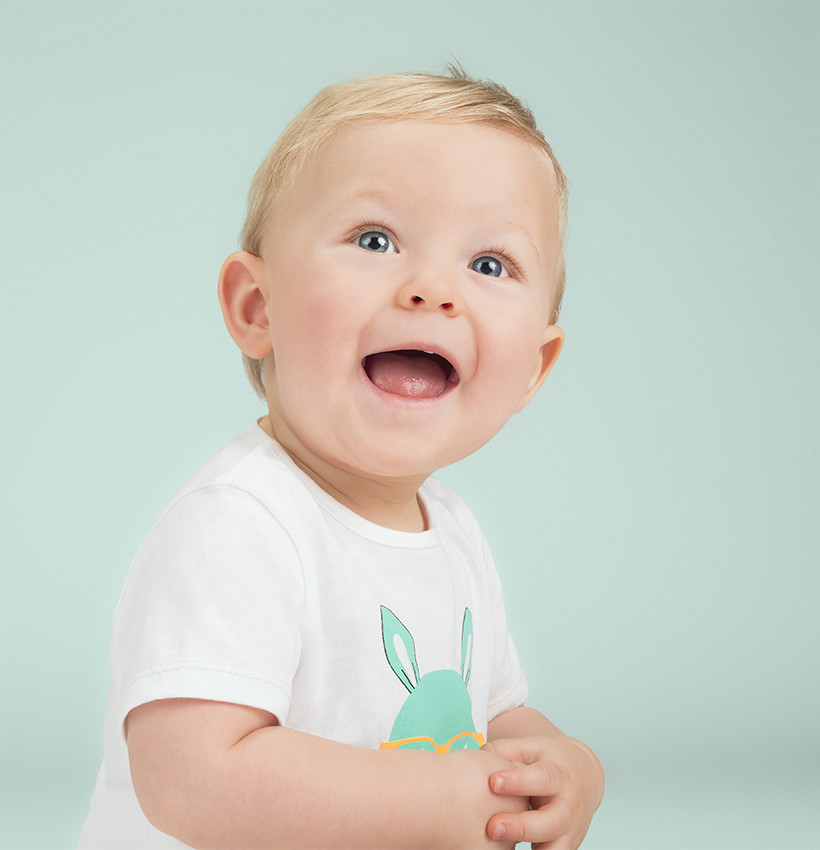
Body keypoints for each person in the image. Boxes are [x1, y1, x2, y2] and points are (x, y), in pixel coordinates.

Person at [79, 68, 604, 849]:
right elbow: (189, 779)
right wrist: (436, 800)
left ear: (533, 366)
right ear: (257, 309)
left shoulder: (453, 533)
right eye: (375, 240)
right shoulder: (241, 525)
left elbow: (490, 717)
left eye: (489, 264)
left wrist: (566, 767)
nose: (432, 289)